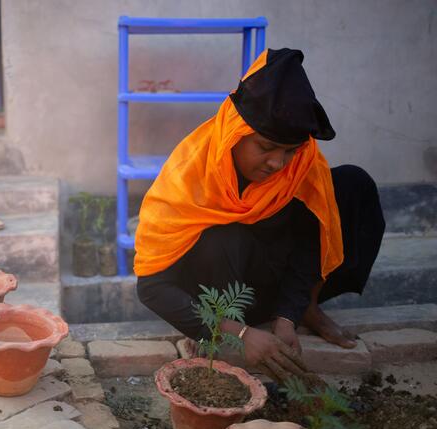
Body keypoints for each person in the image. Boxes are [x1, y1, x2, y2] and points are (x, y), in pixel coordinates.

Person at [134, 48, 385, 381]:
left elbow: (311, 241)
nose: (277, 164)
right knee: (223, 234)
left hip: (274, 277)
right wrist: (233, 332)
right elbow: (151, 286)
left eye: (289, 151)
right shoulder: (189, 175)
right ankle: (214, 330)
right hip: (220, 296)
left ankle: (305, 308)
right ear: (233, 133)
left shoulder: (300, 168)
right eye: (265, 148)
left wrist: (287, 316)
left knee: (352, 184)